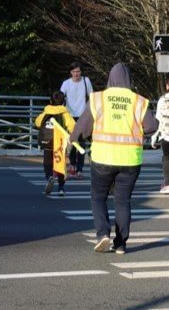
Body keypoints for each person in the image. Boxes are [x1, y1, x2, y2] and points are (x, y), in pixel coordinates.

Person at [70, 62, 157, 255]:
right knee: (123, 201)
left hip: (103, 158)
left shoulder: (99, 99)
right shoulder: (139, 101)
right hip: (130, 160)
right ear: (129, 80)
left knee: (98, 197)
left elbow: (83, 128)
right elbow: (151, 126)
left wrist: (73, 137)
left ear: (110, 77)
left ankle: (103, 235)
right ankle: (120, 244)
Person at [34, 91, 76, 196]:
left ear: (50, 101)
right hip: (60, 144)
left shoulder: (46, 112)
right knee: (60, 165)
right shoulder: (64, 113)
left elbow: (37, 123)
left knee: (47, 162)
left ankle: (49, 177)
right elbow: (73, 127)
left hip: (47, 142)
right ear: (63, 102)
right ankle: (61, 188)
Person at [60, 61, 93, 179]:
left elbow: (92, 96)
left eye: (78, 71)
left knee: (82, 143)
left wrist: (90, 110)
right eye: (74, 71)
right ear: (70, 72)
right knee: (73, 142)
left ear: (81, 71)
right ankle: (72, 164)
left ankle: (79, 169)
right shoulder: (66, 84)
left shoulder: (86, 81)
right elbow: (60, 97)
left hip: (83, 115)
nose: (76, 74)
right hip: (70, 116)